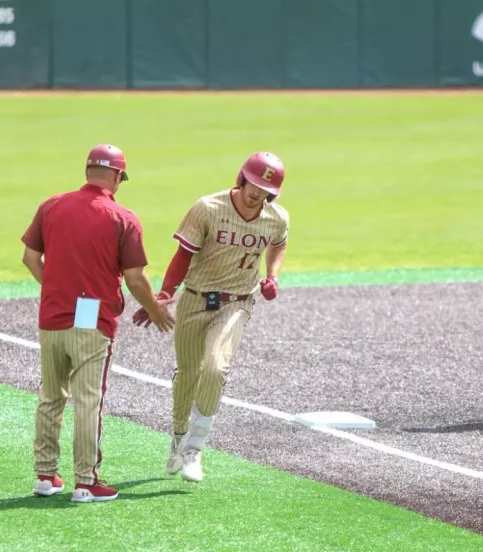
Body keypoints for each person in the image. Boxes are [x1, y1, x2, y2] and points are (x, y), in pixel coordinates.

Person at [21, 144, 174, 503]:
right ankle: (86, 482)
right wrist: (155, 309)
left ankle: (45, 476)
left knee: (50, 396)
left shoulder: (52, 206)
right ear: (118, 176)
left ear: (88, 171)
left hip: (52, 316)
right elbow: (136, 279)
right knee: (88, 400)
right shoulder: (123, 217)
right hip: (93, 320)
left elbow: (30, 257)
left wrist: (56, 288)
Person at [131, 151, 290, 482]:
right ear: (241, 178)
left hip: (238, 301)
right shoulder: (208, 208)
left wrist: (272, 276)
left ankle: (195, 449)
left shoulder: (277, 217)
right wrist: (163, 294)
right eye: (253, 184)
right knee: (187, 374)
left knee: (216, 367)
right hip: (195, 299)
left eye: (264, 190)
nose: (256, 193)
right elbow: (182, 255)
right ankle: (177, 438)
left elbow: (279, 243)